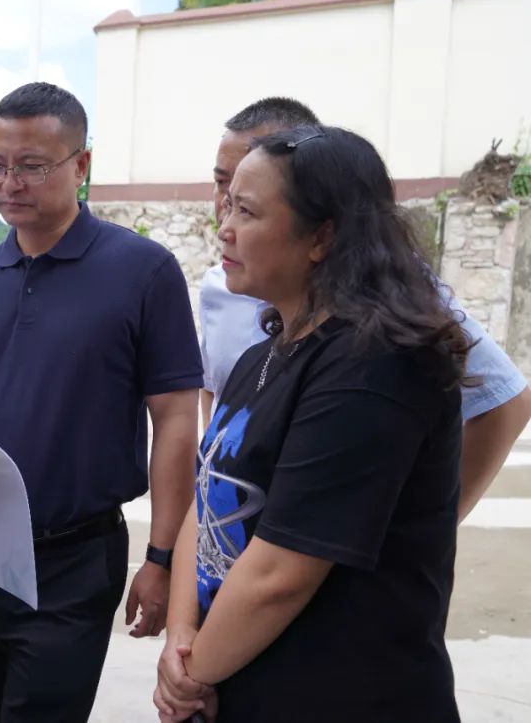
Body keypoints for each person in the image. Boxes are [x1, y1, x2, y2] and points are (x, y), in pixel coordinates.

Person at [0, 82, 203, 722]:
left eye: (32, 166)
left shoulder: (143, 272)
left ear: (82, 165)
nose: (10, 183)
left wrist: (162, 559)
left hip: (73, 559)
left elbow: (176, 421)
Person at [154, 125, 470, 722]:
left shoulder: (374, 364)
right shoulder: (263, 354)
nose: (224, 227)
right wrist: (179, 635)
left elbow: (279, 575)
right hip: (234, 682)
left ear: (322, 236)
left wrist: (188, 678)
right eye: (227, 206)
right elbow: (207, 497)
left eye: (246, 211)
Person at [199, 97, 531, 519]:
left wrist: (428, 523)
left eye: (246, 197)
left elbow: (505, 403)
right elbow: (216, 399)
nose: (225, 208)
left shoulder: (387, 303)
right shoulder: (219, 285)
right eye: (221, 182)